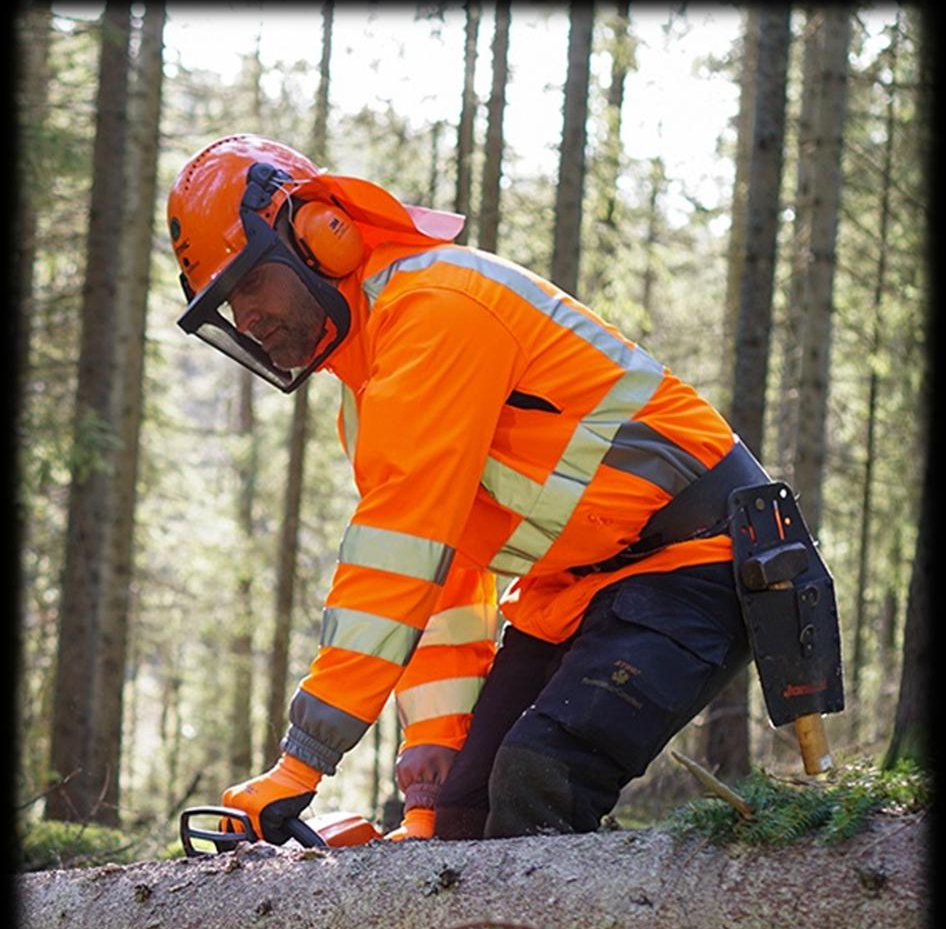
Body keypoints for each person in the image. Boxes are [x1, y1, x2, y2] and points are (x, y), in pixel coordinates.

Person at [167, 133, 766, 845]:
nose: (247, 320)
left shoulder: (436, 311)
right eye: (226, 304)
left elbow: (393, 559)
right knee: (462, 816)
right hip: (576, 593)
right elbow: (442, 574)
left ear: (318, 235)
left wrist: (303, 761)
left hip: (699, 560)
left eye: (249, 284)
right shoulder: (368, 391)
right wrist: (433, 753)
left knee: (538, 777)